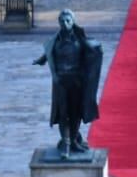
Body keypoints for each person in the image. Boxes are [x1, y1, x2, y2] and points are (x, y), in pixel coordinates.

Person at [33, 9, 103, 159]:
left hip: (76, 82)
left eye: (68, 21)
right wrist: (41, 60)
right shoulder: (56, 41)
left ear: (73, 21)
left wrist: (97, 49)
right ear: (59, 22)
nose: (65, 24)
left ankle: (73, 139)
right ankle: (66, 143)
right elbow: (49, 53)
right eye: (62, 21)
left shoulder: (79, 40)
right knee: (62, 113)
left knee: (75, 113)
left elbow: (91, 50)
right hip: (61, 83)